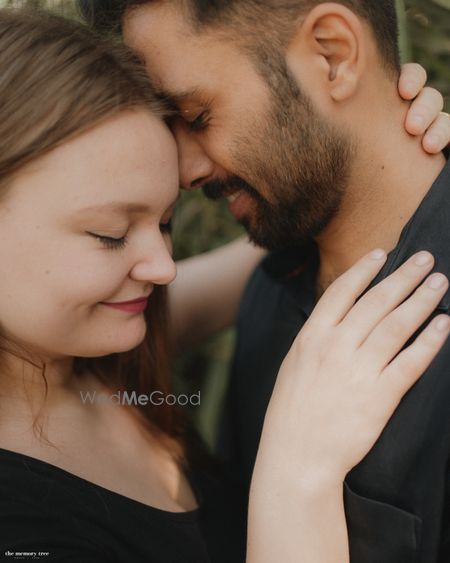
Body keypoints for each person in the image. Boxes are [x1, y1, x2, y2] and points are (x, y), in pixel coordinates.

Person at [0, 7, 449, 563]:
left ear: (334, 54)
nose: (163, 269)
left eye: (196, 116)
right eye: (110, 234)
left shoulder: (109, 352)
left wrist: (385, 152)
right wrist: (295, 479)